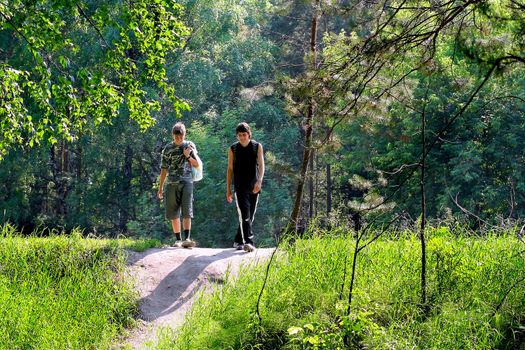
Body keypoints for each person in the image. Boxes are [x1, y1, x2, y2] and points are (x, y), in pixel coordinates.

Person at [158, 122, 200, 248]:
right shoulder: (168, 149)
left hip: (187, 181)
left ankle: (187, 238)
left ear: (184, 135)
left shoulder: (189, 146)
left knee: (187, 210)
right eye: (176, 137)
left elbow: (196, 164)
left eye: (181, 137)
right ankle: (178, 239)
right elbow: (164, 169)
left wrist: (187, 156)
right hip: (171, 182)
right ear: (173, 135)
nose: (179, 139)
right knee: (173, 211)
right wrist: (160, 187)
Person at [226, 122, 265, 252]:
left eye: (244, 134)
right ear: (237, 136)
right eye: (240, 135)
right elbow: (230, 169)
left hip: (254, 186)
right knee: (244, 214)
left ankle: (238, 240)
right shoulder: (233, 149)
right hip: (240, 187)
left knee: (250, 215)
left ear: (249, 134)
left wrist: (259, 181)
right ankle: (248, 242)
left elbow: (261, 165)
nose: (242, 137)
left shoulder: (257, 146)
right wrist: (228, 189)